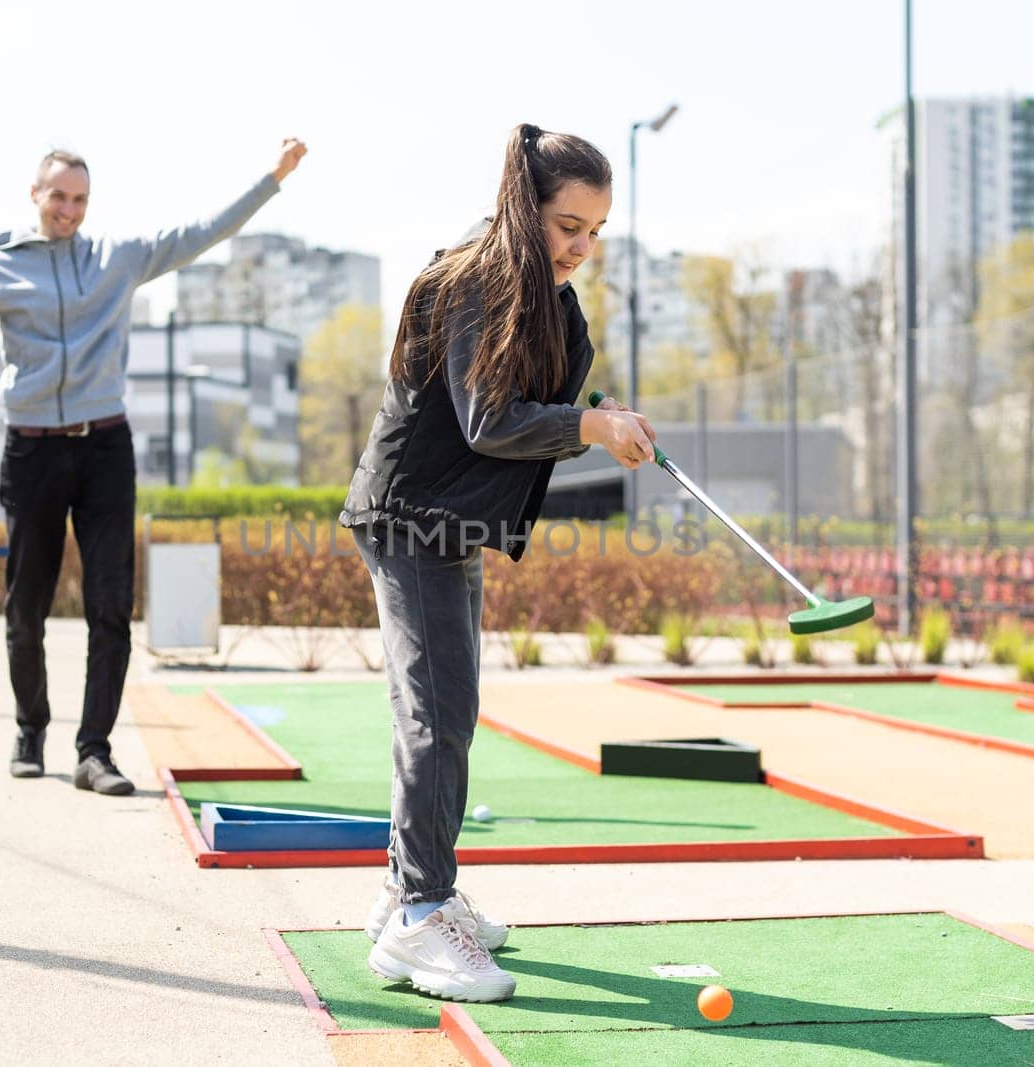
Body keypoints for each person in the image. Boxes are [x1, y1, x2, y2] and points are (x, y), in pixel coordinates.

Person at [339, 123, 655, 1002]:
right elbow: (488, 420)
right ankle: (417, 919)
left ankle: (408, 891)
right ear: (527, 207)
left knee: (448, 711)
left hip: (449, 519)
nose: (582, 248)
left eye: (596, 231)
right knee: (437, 717)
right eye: (567, 227)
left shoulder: (548, 296)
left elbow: (541, 402)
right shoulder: (480, 277)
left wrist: (600, 415)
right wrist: (587, 427)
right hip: (408, 514)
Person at [0, 138, 307, 795]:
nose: (69, 209)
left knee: (110, 605)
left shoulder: (116, 259)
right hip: (32, 448)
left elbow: (204, 233)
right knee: (27, 609)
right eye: (58, 196)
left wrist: (272, 178)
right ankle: (29, 727)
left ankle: (94, 751)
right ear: (35, 195)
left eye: (79, 199)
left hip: (104, 448)